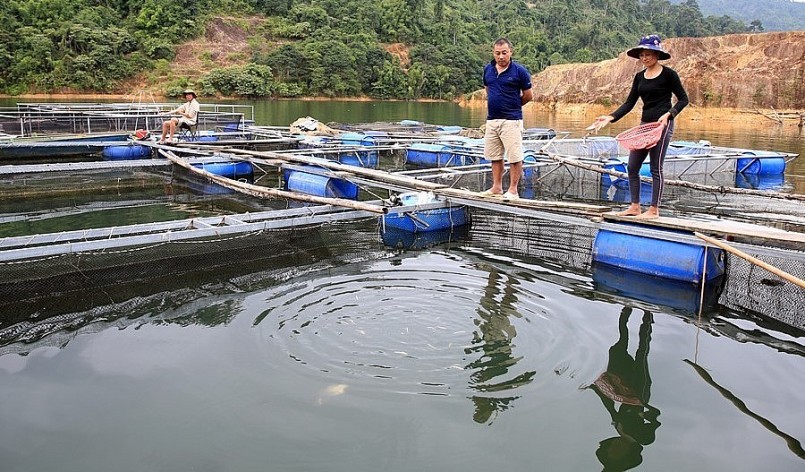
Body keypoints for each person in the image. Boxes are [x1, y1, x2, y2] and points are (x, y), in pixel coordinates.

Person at [589, 34, 688, 219]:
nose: (644, 58)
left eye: (648, 54)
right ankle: (635, 206)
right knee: (632, 166)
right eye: (642, 55)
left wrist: (669, 114)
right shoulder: (639, 77)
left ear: (657, 54)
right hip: (645, 126)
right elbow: (629, 103)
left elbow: (683, 99)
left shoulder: (669, 75)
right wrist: (610, 117)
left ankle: (654, 210)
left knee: (656, 168)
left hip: (662, 125)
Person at [480, 38, 533, 201]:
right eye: (497, 53)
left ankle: (513, 190)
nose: (501, 56)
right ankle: (496, 187)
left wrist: (513, 105)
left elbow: (528, 95)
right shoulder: (488, 69)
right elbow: (488, 89)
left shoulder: (519, 71)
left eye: (504, 53)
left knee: (514, 156)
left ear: (510, 52)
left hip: (511, 120)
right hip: (492, 120)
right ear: (493, 53)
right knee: (495, 155)